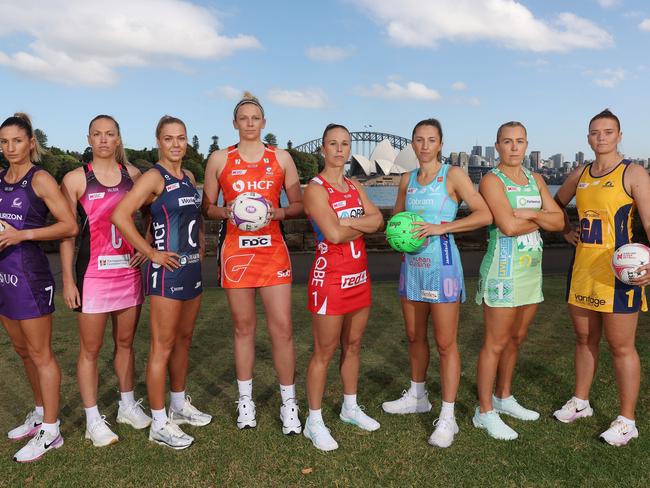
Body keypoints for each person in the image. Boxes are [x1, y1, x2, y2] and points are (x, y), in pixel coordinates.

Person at [381, 118, 491, 448]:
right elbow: (395, 223)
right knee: (415, 336)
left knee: (445, 343)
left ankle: (448, 417)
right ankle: (417, 395)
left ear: (441, 143)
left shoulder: (453, 175)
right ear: (412, 144)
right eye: (419, 139)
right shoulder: (406, 179)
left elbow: (484, 215)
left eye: (431, 139)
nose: (425, 145)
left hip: (442, 268)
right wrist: (398, 235)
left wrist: (441, 228)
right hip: (412, 268)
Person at [201, 92, 303, 434]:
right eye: (243, 118)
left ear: (263, 123)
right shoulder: (219, 159)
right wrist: (227, 211)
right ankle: (246, 401)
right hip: (236, 253)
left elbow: (298, 205)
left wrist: (280, 212)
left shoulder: (282, 158)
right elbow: (208, 207)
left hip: (273, 251)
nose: (249, 123)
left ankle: (289, 403)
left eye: (254, 118)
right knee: (243, 329)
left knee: (282, 329)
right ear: (234, 124)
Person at [553, 109, 650, 446]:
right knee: (584, 339)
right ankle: (581, 402)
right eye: (595, 132)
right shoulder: (580, 172)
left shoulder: (634, 172)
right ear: (588, 137)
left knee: (621, 346)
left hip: (619, 274)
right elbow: (555, 204)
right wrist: (566, 229)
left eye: (608, 132)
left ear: (619, 135)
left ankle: (627, 420)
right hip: (582, 268)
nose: (601, 138)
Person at [112, 115, 210, 450]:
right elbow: (120, 215)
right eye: (169, 138)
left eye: (181, 138)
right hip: (166, 272)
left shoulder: (189, 177)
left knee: (184, 340)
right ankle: (158, 423)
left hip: (192, 269)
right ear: (159, 141)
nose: (175, 144)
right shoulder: (155, 176)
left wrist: (202, 244)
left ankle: (179, 406)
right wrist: (150, 252)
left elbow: (193, 219)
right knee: (162, 346)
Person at [60, 115, 151, 447]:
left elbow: (152, 214)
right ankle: (92, 419)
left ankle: (127, 405)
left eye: (109, 134)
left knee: (125, 344)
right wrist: (69, 281)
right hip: (93, 277)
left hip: (128, 274)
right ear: (89, 137)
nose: (103, 139)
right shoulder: (74, 179)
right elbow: (68, 235)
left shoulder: (136, 177)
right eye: (97, 134)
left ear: (118, 138)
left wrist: (146, 242)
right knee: (91, 349)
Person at [473, 121, 563, 440]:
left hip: (530, 273)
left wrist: (529, 215)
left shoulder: (535, 178)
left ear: (527, 145)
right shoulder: (491, 180)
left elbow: (560, 220)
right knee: (495, 343)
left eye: (519, 141)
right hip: (502, 271)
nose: (513, 147)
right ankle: (484, 412)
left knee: (515, 339)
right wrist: (539, 217)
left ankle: (503, 396)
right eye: (507, 141)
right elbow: (507, 227)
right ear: (497, 145)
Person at [301, 123, 384, 451]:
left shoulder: (354, 185)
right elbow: (332, 236)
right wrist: (356, 226)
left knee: (353, 345)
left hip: (359, 277)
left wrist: (346, 223)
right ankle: (314, 420)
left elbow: (378, 220)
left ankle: (350, 407)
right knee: (324, 351)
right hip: (330, 280)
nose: (339, 149)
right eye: (333, 144)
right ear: (323, 148)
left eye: (345, 144)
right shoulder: (315, 188)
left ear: (350, 149)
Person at [0, 113, 77, 462]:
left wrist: (23, 234)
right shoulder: (0, 181)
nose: (10, 147)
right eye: (4, 142)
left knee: (41, 352)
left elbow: (69, 226)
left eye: (17, 140)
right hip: (4, 278)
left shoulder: (41, 179)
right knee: (21, 350)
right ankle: (39, 410)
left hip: (30, 276)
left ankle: (51, 429)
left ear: (30, 143)